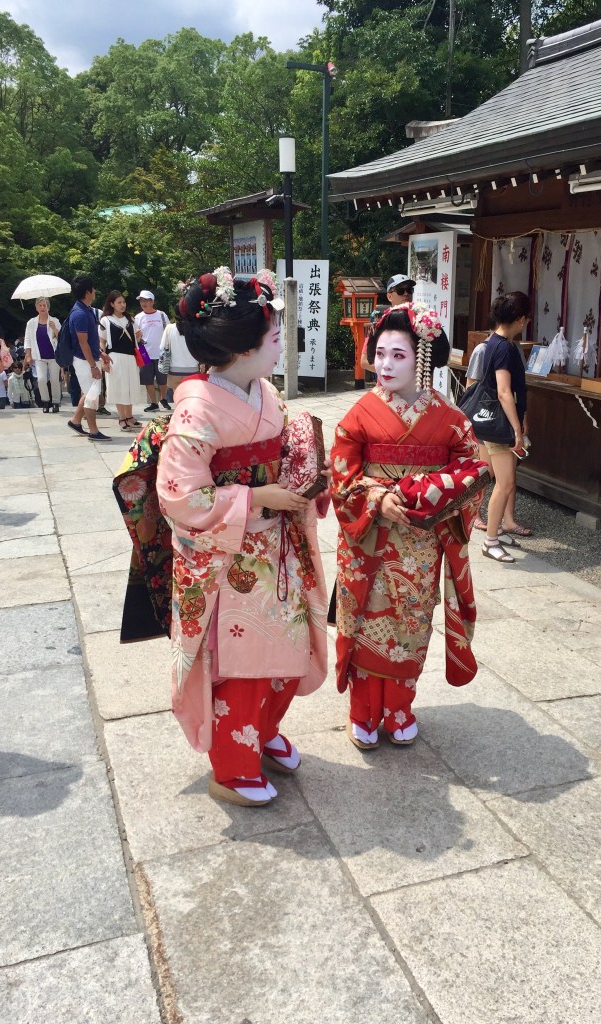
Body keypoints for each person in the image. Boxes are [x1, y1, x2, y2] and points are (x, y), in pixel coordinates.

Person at [152, 267, 329, 807]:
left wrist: (307, 478)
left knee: (288, 648)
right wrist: (256, 499)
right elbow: (181, 496)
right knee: (242, 663)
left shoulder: (263, 392)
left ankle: (263, 730)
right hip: (229, 560)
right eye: (275, 337)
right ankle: (231, 766)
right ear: (245, 347)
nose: (280, 346)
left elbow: (285, 446)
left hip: (277, 548)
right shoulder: (197, 409)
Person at [330, 302, 485, 750]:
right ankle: (362, 711)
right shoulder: (361, 413)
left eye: (398, 355)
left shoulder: (450, 420)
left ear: (422, 358)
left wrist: (424, 493)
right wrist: (378, 497)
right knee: (365, 618)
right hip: (370, 538)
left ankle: (399, 709)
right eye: (380, 353)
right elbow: (342, 473)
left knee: (410, 623)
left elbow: (473, 469)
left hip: (420, 541)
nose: (384, 364)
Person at [480, 292, 533, 563]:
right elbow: (503, 391)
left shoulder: (497, 343)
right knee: (505, 483)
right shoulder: (503, 347)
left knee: (505, 481)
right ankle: (490, 540)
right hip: (500, 424)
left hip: (501, 421)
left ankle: (496, 531)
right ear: (520, 319)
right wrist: (517, 429)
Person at [66, 274, 111, 441]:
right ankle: (93, 431)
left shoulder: (86, 310)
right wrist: (93, 366)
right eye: (93, 289)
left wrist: (100, 353)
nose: (95, 291)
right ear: (87, 292)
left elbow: (90, 341)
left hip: (90, 358)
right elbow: (83, 343)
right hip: (84, 361)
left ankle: (75, 421)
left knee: (88, 392)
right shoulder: (80, 314)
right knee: (92, 396)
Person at [98, 290, 142, 431]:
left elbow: (136, 339)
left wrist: (139, 337)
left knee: (130, 387)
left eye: (123, 302)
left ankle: (129, 416)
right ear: (112, 304)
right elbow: (102, 341)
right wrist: (103, 358)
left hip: (130, 357)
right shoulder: (106, 320)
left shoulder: (130, 319)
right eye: (119, 302)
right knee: (119, 387)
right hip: (115, 357)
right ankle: (122, 418)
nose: (122, 305)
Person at [359, 274, 415, 374]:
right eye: (400, 291)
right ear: (389, 296)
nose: (406, 294)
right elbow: (365, 362)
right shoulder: (380, 324)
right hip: (387, 385)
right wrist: (396, 372)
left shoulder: (421, 322)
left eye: (409, 290)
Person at [134, 289, 171, 412]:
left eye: (146, 300)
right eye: (141, 301)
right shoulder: (138, 317)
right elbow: (134, 335)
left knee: (162, 378)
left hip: (161, 351)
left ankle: (163, 399)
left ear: (152, 302)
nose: (143, 303)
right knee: (147, 378)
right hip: (144, 351)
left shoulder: (161, 315)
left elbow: (168, 331)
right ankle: (153, 402)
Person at [24, 298, 62, 412]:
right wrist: (28, 355)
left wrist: (54, 328)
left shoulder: (54, 320)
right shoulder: (31, 323)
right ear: (36, 308)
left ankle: (55, 402)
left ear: (48, 307)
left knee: (55, 379)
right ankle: (45, 402)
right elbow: (28, 340)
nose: (42, 307)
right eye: (40, 305)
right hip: (39, 356)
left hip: (54, 356)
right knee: (41, 379)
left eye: (44, 305)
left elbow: (62, 337)